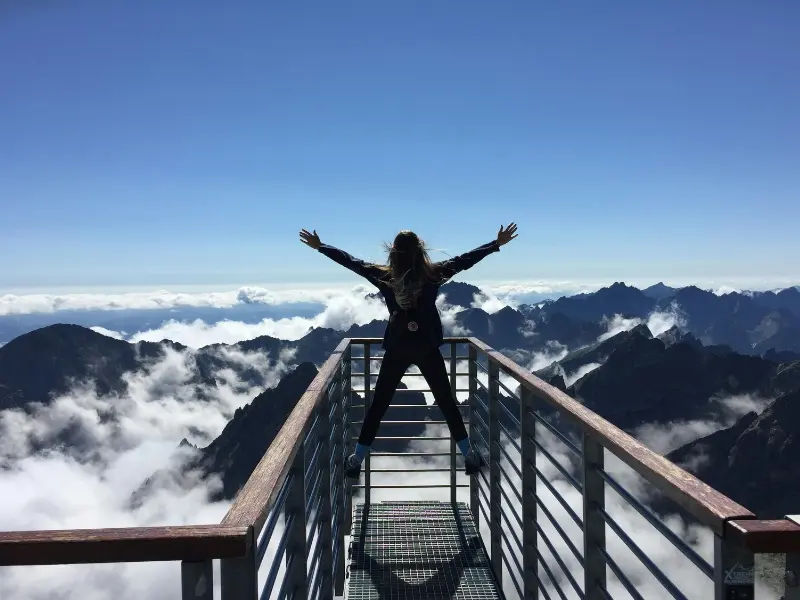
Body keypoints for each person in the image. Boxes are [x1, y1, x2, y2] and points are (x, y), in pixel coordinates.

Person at [299, 224, 519, 479]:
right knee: (446, 402)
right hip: (426, 348)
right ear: (420, 251)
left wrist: (321, 246)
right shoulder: (433, 275)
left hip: (398, 348)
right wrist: (495, 244)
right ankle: (469, 454)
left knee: (378, 404)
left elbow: (352, 262)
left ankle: (357, 458)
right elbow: (465, 260)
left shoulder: (385, 276)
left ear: (393, 253)